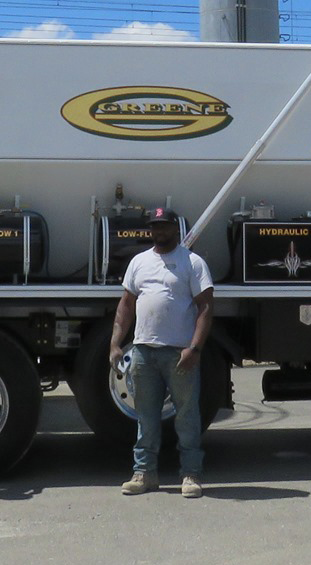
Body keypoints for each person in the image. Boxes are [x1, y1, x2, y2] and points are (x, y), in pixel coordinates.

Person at [107, 207, 214, 498]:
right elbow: (126, 306)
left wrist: (194, 348)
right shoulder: (139, 263)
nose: (159, 231)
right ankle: (144, 474)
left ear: (175, 229)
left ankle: (191, 475)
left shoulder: (192, 262)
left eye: (164, 226)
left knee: (187, 416)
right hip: (143, 352)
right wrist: (116, 343)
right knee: (146, 417)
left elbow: (205, 307)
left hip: (180, 353)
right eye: (155, 227)